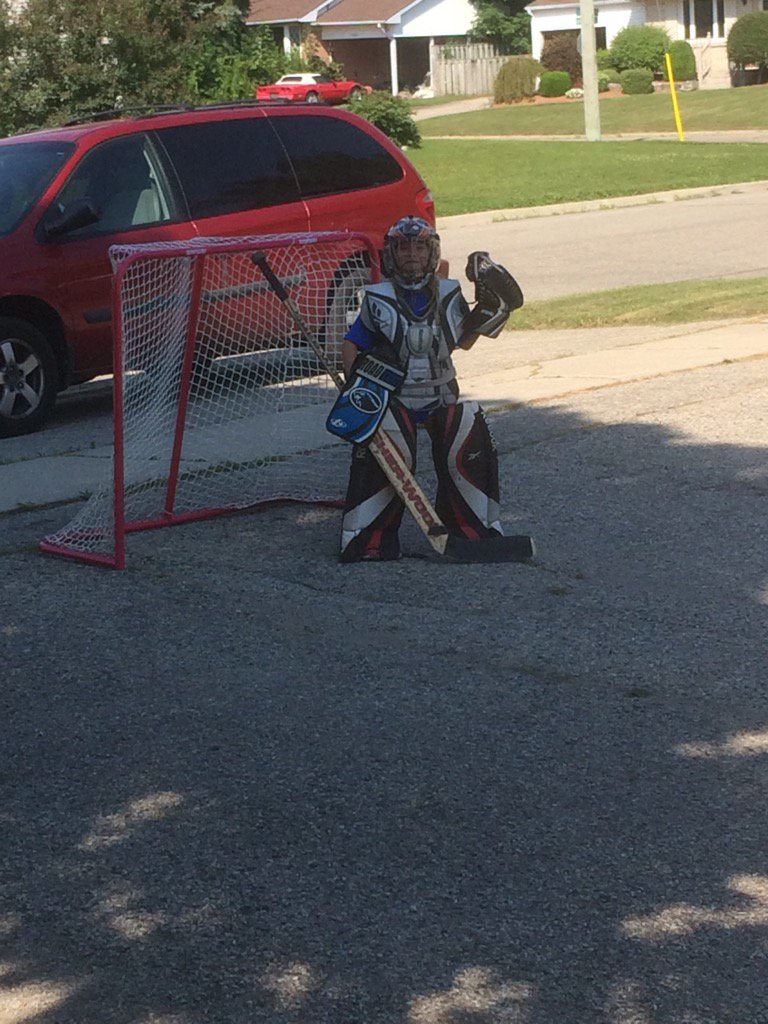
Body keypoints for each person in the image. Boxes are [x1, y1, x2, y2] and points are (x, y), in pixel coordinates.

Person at [334, 215, 523, 563]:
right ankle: (368, 536)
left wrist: (491, 313)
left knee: (468, 428)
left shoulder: (450, 292)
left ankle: (473, 527)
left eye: (419, 246)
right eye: (403, 247)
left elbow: (462, 342)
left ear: (431, 252)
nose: (411, 254)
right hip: (395, 399)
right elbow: (352, 345)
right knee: (387, 448)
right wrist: (355, 391)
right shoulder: (377, 297)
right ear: (391, 254)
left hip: (441, 395)